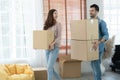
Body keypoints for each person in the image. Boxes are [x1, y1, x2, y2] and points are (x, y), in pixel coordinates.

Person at [90, 4, 109, 80]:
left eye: (92, 10)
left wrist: (99, 42)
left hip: (99, 48)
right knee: (93, 65)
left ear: (97, 12)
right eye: (90, 11)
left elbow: (106, 35)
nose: (90, 12)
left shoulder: (101, 23)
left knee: (96, 66)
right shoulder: (89, 22)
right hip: (92, 48)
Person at [43, 9, 61, 80]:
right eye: (55, 13)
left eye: (57, 13)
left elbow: (59, 37)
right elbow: (44, 36)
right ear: (51, 15)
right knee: (50, 68)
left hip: (55, 48)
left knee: (49, 67)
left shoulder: (58, 24)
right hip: (47, 48)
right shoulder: (46, 24)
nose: (56, 15)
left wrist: (52, 43)